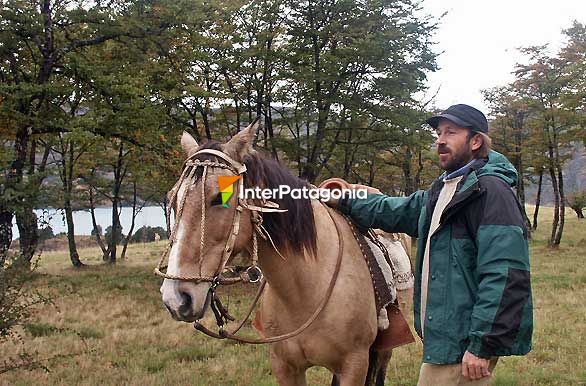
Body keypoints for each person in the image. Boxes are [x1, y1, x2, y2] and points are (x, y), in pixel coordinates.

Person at [329, 104, 533, 385]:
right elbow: (395, 210)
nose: (440, 140)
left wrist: (482, 346)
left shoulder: (489, 191)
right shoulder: (448, 187)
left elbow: (506, 274)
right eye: (438, 133)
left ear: (475, 141)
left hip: (464, 342)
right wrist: (345, 199)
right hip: (448, 337)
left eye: (451, 132)